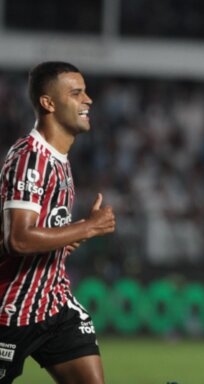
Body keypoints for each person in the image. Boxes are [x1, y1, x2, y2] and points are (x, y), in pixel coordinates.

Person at [0, 61, 116, 384]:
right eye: (77, 93)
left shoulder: (59, 159)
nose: (88, 100)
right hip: (11, 310)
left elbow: (39, 232)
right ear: (48, 103)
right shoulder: (30, 158)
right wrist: (88, 227)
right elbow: (19, 239)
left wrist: (69, 238)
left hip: (53, 303)